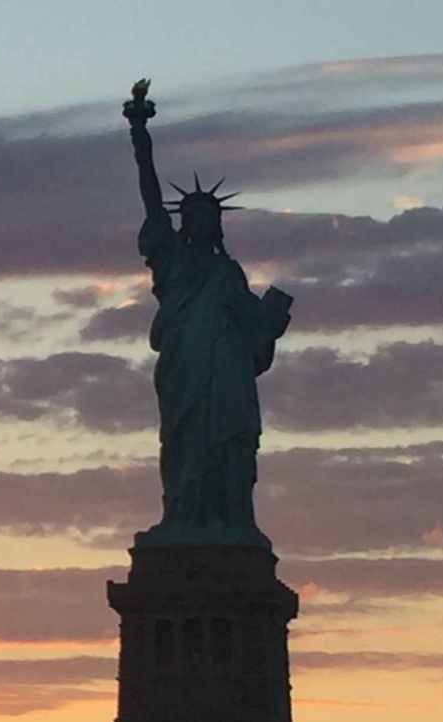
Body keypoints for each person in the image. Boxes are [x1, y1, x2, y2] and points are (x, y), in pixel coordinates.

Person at [122, 80, 291, 549]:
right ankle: (182, 515)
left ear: (216, 224)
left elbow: (256, 328)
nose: (201, 221)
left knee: (232, 442)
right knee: (184, 442)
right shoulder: (171, 258)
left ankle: (231, 519)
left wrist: (274, 315)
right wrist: (139, 131)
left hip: (230, 371)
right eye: (192, 214)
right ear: (182, 222)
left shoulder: (227, 271)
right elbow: (150, 194)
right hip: (185, 368)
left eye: (208, 215)